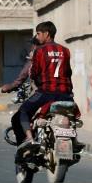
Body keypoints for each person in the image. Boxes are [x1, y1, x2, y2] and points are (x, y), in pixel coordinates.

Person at [14, 22, 74, 155]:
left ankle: (30, 139)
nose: (37, 36)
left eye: (38, 33)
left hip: (47, 92)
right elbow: (68, 72)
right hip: (66, 94)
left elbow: (34, 73)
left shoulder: (39, 51)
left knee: (23, 110)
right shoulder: (65, 50)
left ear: (46, 34)